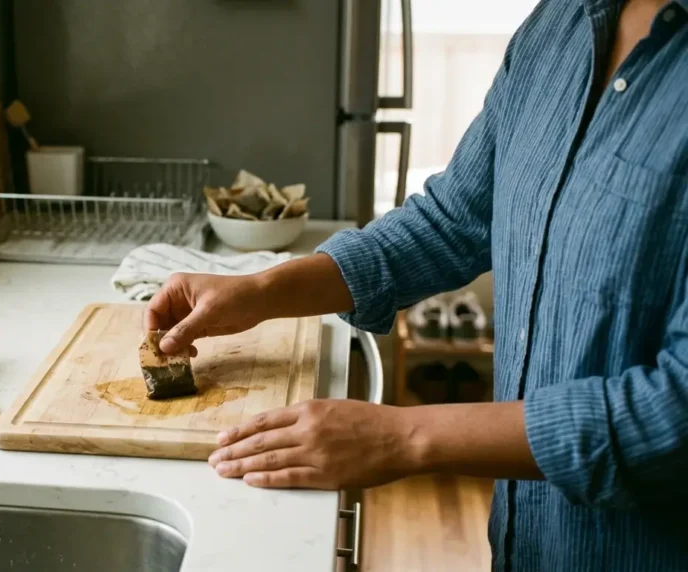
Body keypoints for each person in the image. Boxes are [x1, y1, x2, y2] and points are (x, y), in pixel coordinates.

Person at [146, 0, 687, 570]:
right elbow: (454, 220)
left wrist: (404, 437)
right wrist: (261, 292)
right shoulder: (561, 22)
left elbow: (673, 410)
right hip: (527, 544)